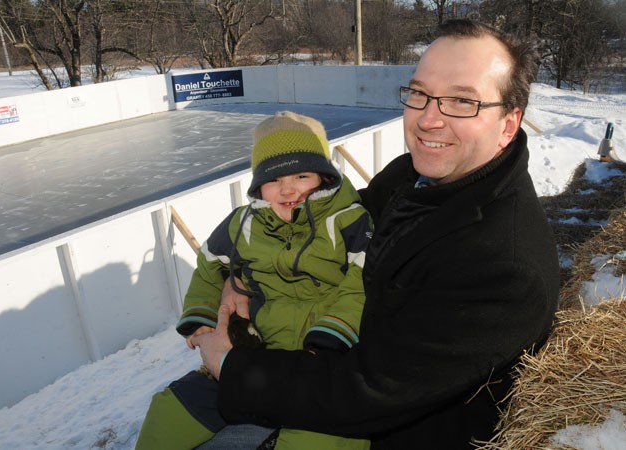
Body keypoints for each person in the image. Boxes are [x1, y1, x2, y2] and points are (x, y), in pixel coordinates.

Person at [192, 19, 560, 449]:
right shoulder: (418, 175)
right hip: (321, 368)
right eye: (420, 93)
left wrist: (232, 365)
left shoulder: (503, 266)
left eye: (462, 101)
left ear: (508, 125)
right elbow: (339, 223)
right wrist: (239, 274)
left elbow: (367, 389)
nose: (428, 120)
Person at [135, 111, 374, 450]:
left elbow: (364, 278)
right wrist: (202, 314)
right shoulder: (243, 223)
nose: (288, 189)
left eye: (302, 175)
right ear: (258, 185)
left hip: (325, 356)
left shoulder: (348, 219)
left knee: (319, 436)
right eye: (275, 179)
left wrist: (337, 329)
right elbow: (208, 264)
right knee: (172, 409)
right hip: (261, 350)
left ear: (323, 177)